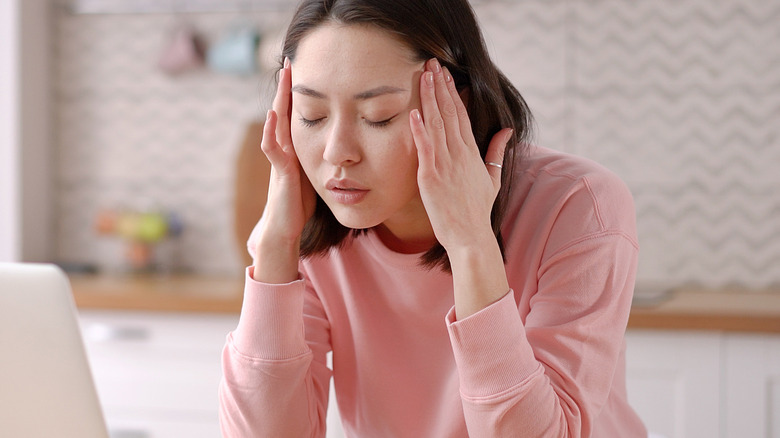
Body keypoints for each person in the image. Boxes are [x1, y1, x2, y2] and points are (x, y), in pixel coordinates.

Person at [219, 0, 648, 436]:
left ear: (454, 105)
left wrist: (471, 245)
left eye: (377, 117)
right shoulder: (310, 224)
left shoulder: (578, 206)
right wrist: (276, 247)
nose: (335, 153)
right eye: (312, 116)